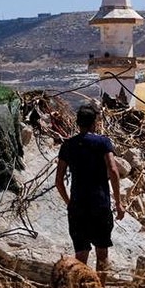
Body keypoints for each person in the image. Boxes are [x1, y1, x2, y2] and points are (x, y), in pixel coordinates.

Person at [55, 103, 124, 276]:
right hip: (99, 203)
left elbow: (59, 180)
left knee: (80, 255)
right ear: (95, 123)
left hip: (78, 205)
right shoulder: (103, 142)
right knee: (102, 253)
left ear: (78, 123)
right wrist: (119, 202)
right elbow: (113, 171)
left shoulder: (68, 145)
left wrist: (69, 202)